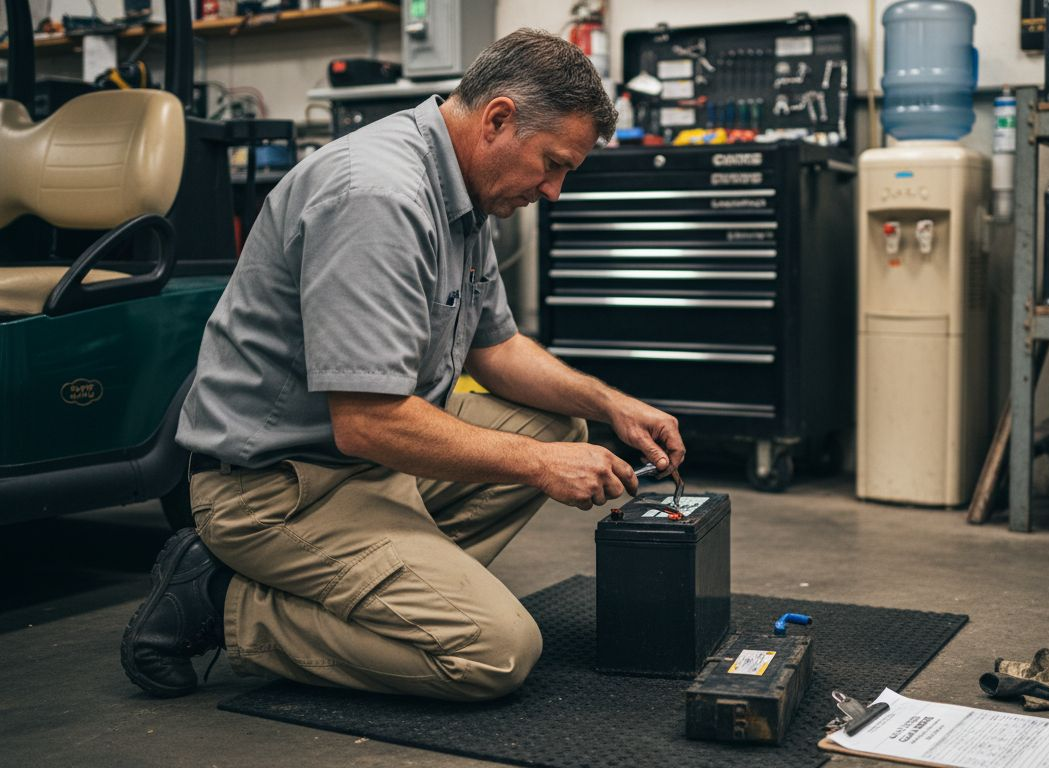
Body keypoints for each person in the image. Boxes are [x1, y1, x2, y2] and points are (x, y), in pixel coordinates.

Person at [120, 29, 685, 702]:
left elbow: (495, 348)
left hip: (366, 465)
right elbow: (366, 423)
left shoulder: (469, 191)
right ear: (498, 119)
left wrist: (612, 405)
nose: (555, 190)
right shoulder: (378, 198)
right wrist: (538, 467)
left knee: (559, 431)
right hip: (276, 491)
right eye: (553, 163)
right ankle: (222, 601)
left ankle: (397, 592)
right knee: (496, 652)